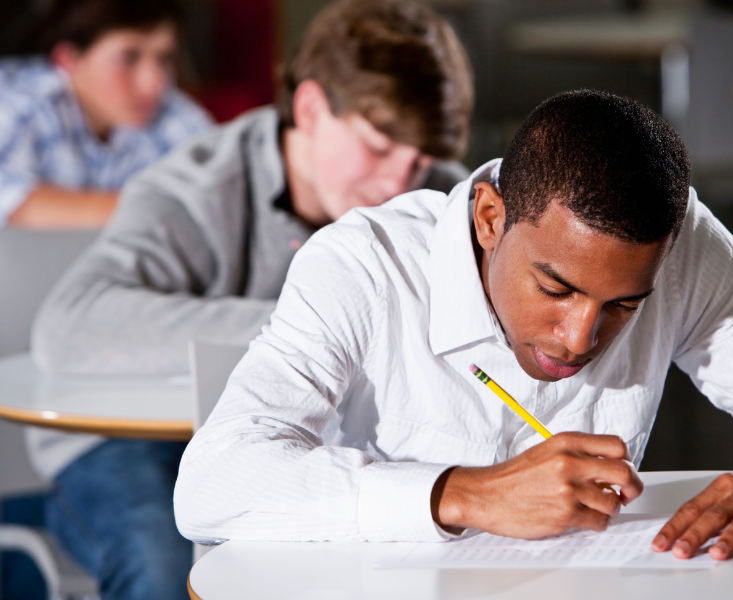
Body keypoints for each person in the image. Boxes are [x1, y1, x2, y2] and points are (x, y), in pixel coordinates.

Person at [173, 90, 733, 562]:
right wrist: (465, 492)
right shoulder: (362, 264)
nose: (579, 338)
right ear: (491, 219)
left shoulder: (682, 247)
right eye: (555, 287)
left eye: (625, 306)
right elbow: (213, 482)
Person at [30, 1, 473, 598]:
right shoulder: (195, 187)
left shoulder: (437, 191)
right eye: (377, 146)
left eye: (419, 160)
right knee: (161, 560)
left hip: (313, 442)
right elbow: (71, 327)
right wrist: (317, 323)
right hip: (137, 443)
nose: (399, 182)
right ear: (312, 108)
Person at [0, 0, 212, 228]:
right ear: (67, 59)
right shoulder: (16, 101)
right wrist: (157, 209)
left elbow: (220, 196)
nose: (153, 83)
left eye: (164, 58)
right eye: (129, 58)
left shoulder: (173, 111)